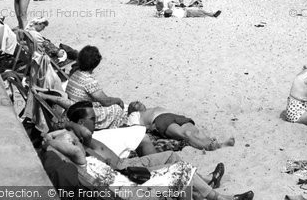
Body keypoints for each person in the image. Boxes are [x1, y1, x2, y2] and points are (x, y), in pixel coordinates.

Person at [42, 129, 254, 199]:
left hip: (123, 182)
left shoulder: (80, 167)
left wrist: (51, 140)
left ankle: (207, 185)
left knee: (175, 163)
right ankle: (221, 198)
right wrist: (56, 139)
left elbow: (73, 148)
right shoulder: (80, 163)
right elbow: (76, 149)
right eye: (72, 140)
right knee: (181, 170)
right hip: (129, 190)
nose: (76, 140)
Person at [126, 101, 235, 151]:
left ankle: (217, 144)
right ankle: (209, 146)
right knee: (186, 134)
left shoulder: (150, 108)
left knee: (195, 132)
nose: (138, 102)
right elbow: (134, 129)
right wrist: (149, 128)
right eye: (135, 104)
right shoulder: (134, 114)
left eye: (138, 101)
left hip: (174, 116)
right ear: (132, 109)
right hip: (160, 120)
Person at [65, 46, 126, 129]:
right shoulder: (88, 80)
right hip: (83, 114)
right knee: (117, 109)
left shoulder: (75, 73)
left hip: (74, 109)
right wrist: (118, 100)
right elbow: (106, 101)